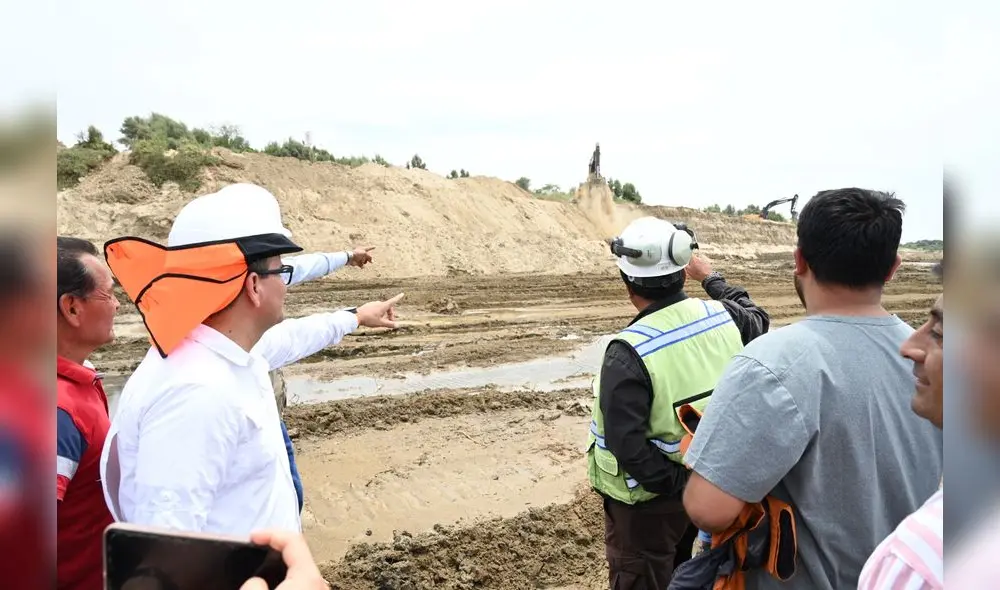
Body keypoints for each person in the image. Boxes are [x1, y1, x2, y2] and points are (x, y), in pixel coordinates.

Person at [99, 183, 403, 534]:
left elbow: (290, 338)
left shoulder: (221, 350)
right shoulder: (196, 394)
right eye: (283, 272)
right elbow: (164, 557)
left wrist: (356, 316)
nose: (287, 285)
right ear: (254, 285)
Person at [682, 188, 943, 589]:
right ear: (893, 267)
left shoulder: (772, 362)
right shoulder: (930, 363)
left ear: (799, 259)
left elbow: (708, 508)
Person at [586, 216, 770, 588]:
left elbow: (627, 445)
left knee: (645, 575)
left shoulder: (627, 351)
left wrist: (681, 484)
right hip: (705, 487)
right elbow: (758, 318)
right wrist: (710, 276)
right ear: (684, 272)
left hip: (646, 504)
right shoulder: (725, 317)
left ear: (628, 284)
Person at [857, 261, 943, 589]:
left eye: (939, 333)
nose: (908, 346)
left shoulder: (916, 562)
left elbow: (710, 509)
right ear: (893, 268)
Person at [55, 236, 120, 590]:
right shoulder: (53, 412)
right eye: (108, 294)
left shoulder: (76, 382)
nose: (117, 305)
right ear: (72, 307)